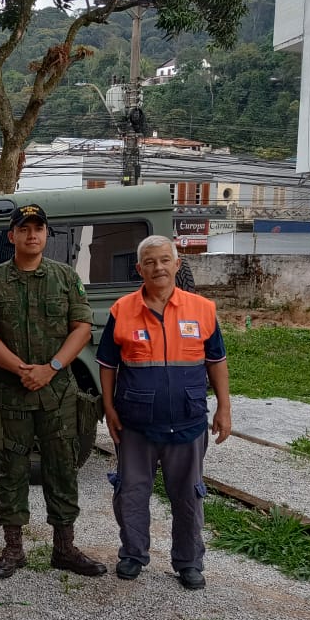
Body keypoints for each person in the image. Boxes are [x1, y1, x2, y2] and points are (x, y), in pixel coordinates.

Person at [0, 203, 107, 579]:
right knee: (10, 470)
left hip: (58, 394)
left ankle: (64, 548)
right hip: (11, 395)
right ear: (11, 235)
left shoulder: (65, 277)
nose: (32, 235)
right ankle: (13, 549)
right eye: (24, 229)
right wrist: (20, 369)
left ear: (46, 235)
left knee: (63, 467)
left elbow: (81, 327)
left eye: (39, 229)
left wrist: (52, 368)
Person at [97, 234, 231, 590]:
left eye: (164, 260)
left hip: (187, 423)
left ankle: (189, 562)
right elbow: (107, 364)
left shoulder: (202, 309)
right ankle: (132, 554)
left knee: (188, 497)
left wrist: (224, 408)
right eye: (150, 262)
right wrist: (108, 407)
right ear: (139, 269)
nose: (158, 267)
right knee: (131, 493)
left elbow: (216, 361)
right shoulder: (121, 310)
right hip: (135, 425)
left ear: (177, 264)